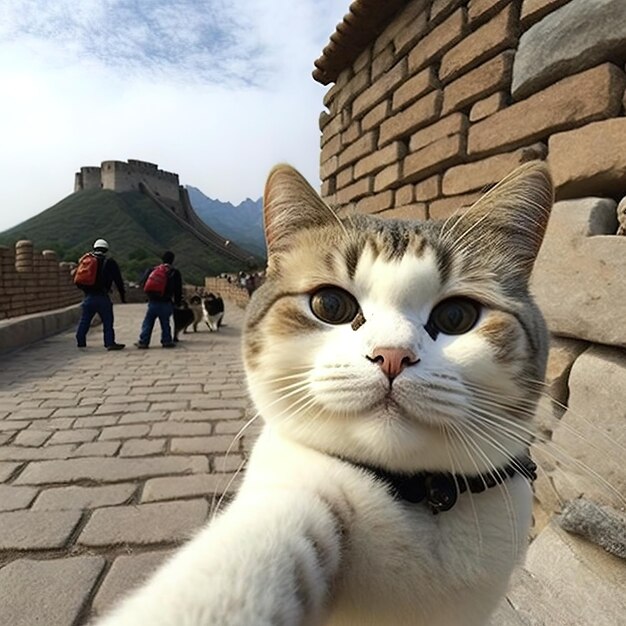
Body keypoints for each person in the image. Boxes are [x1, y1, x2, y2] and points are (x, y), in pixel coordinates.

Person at [75, 238, 126, 350]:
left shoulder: (87, 260)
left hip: (88, 297)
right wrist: (123, 296)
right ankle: (109, 343)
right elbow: (118, 281)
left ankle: (80, 341)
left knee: (85, 320)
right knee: (107, 321)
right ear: (106, 249)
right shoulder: (109, 262)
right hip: (102, 297)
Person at [135, 251, 183, 348]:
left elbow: (143, 283)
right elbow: (178, 290)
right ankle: (166, 341)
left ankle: (143, 341)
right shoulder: (174, 272)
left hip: (153, 302)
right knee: (165, 323)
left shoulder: (153, 270)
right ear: (173, 260)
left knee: (148, 322)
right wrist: (177, 303)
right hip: (166, 302)